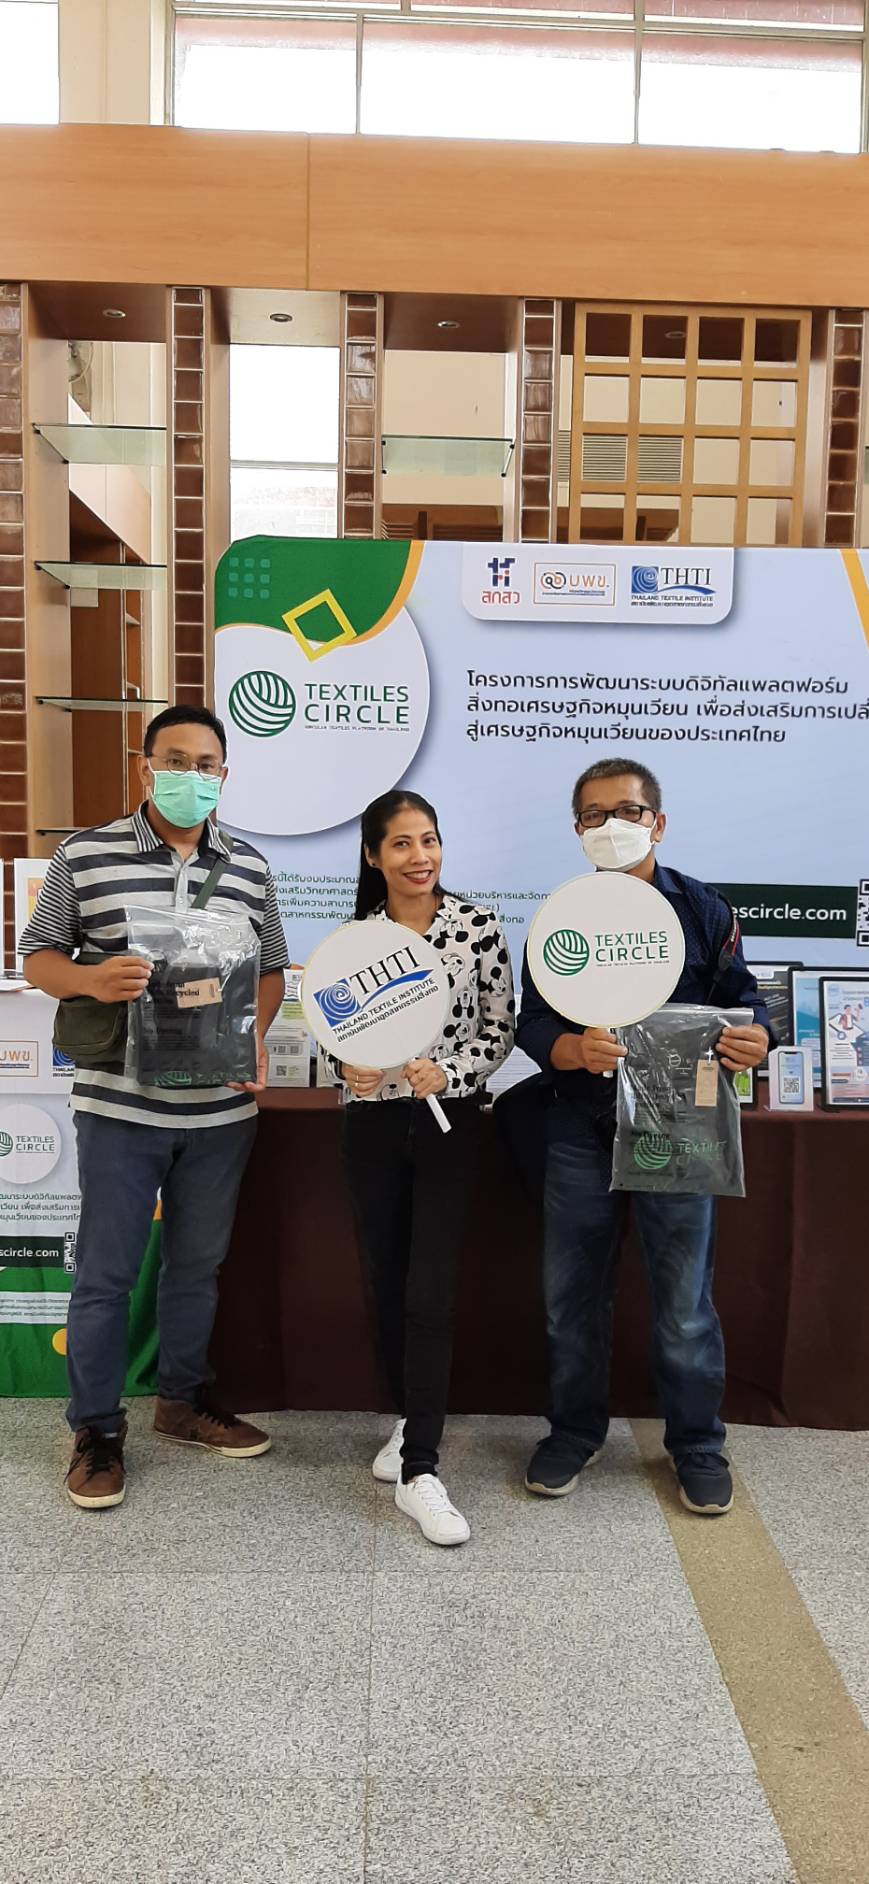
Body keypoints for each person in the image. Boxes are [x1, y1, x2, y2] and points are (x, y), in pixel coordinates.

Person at [20, 705, 289, 1511]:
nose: (190, 776)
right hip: (120, 1106)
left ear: (223, 776)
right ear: (146, 768)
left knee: (196, 1267)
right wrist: (90, 979)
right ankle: (96, 1430)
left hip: (219, 1115)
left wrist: (252, 1039)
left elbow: (271, 969)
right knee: (105, 1275)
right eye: (176, 760)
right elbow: (37, 956)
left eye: (206, 764)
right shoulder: (86, 854)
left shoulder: (249, 865)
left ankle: (181, 1402)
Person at [517, 759, 770, 1518]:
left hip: (678, 1126)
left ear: (657, 822)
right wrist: (569, 1048)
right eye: (593, 815)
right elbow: (534, 1022)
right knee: (570, 1300)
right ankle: (573, 1432)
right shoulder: (560, 917)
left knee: (684, 1304)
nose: (610, 826)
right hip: (578, 1128)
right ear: (576, 830)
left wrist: (756, 1036)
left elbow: (748, 1004)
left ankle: (696, 1444)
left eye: (626, 811)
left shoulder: (704, 910)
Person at [335, 789, 515, 1547]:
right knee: (387, 1282)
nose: (421, 857)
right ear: (373, 855)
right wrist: (349, 1070)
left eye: (430, 840)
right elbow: (336, 1037)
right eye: (402, 844)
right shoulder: (356, 940)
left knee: (430, 1292)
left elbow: (499, 1030)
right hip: (373, 1128)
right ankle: (410, 1418)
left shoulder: (476, 925)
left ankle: (421, 1471)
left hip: (448, 1126)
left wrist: (450, 1071)